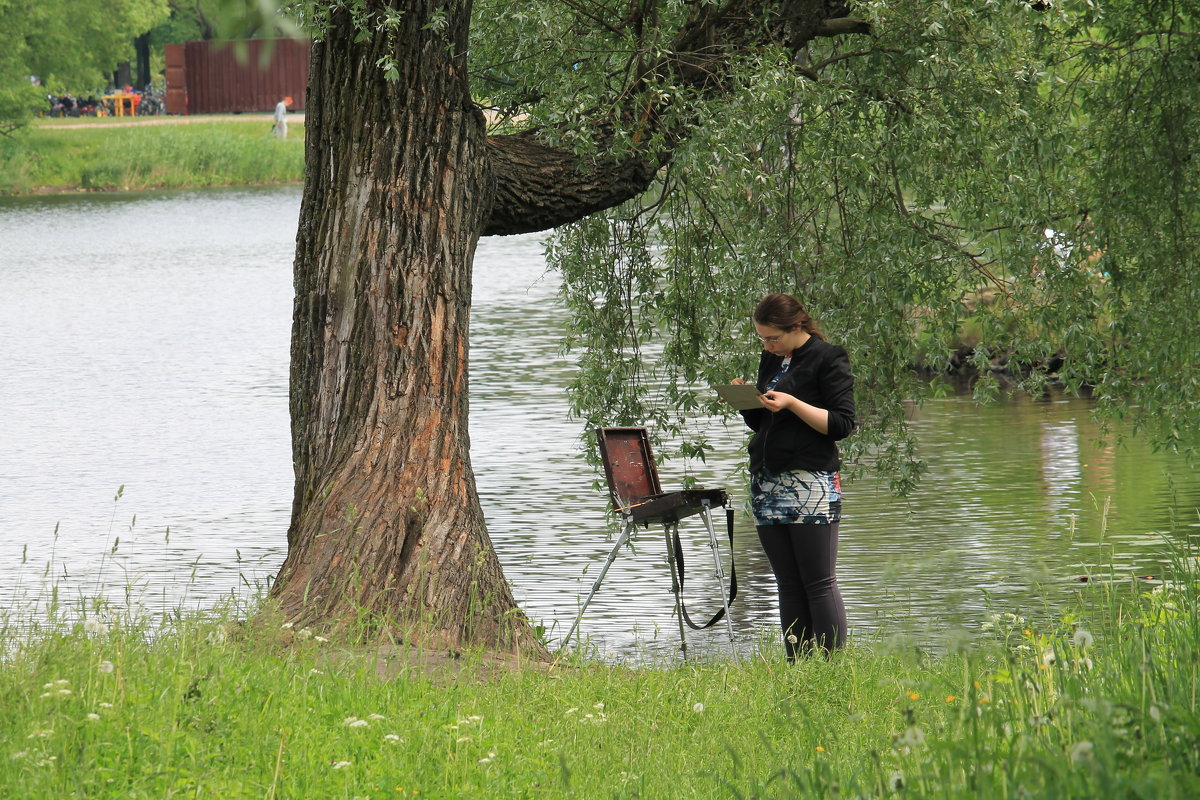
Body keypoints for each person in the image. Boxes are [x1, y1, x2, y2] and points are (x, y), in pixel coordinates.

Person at [732, 293, 855, 660]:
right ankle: (797, 666)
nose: (768, 345)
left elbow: (841, 424)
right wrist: (746, 401)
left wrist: (792, 402)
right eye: (762, 339)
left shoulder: (828, 358)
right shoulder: (771, 358)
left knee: (818, 582)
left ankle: (832, 668)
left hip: (810, 480)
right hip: (768, 482)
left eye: (774, 338)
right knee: (787, 582)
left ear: (796, 326)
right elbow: (764, 420)